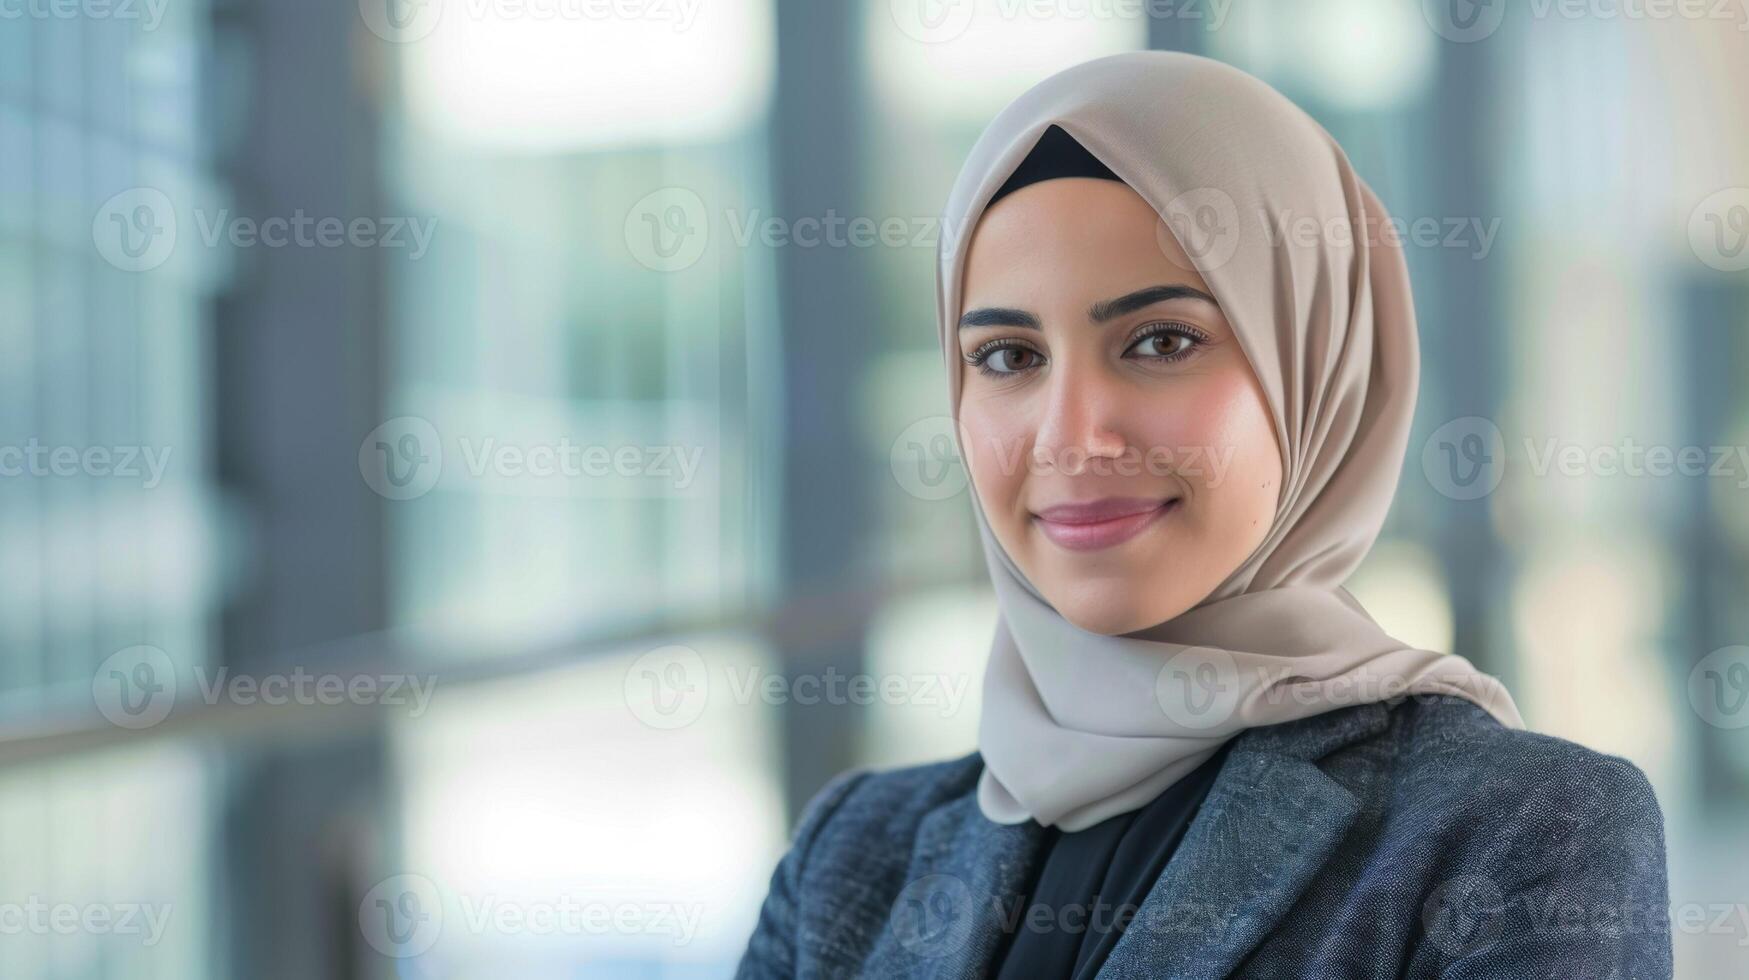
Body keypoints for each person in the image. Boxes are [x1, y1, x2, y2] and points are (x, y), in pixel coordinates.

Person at [735, 51, 1671, 979]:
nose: (1071, 437)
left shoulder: (1515, 835)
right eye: (1010, 358)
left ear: (1318, 369)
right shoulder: (850, 857)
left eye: (1160, 340)